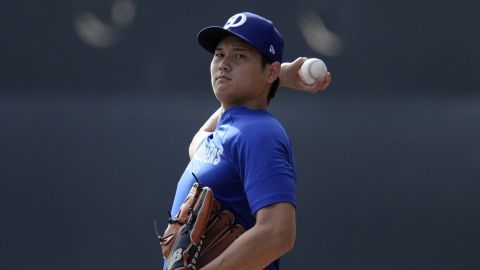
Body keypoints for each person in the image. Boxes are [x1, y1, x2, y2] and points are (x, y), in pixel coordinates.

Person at [164, 12, 331, 270]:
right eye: (219, 54)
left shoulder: (260, 133)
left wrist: (275, 78)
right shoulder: (225, 132)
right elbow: (196, 144)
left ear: (269, 70)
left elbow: (278, 233)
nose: (224, 64)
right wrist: (279, 78)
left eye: (239, 55)